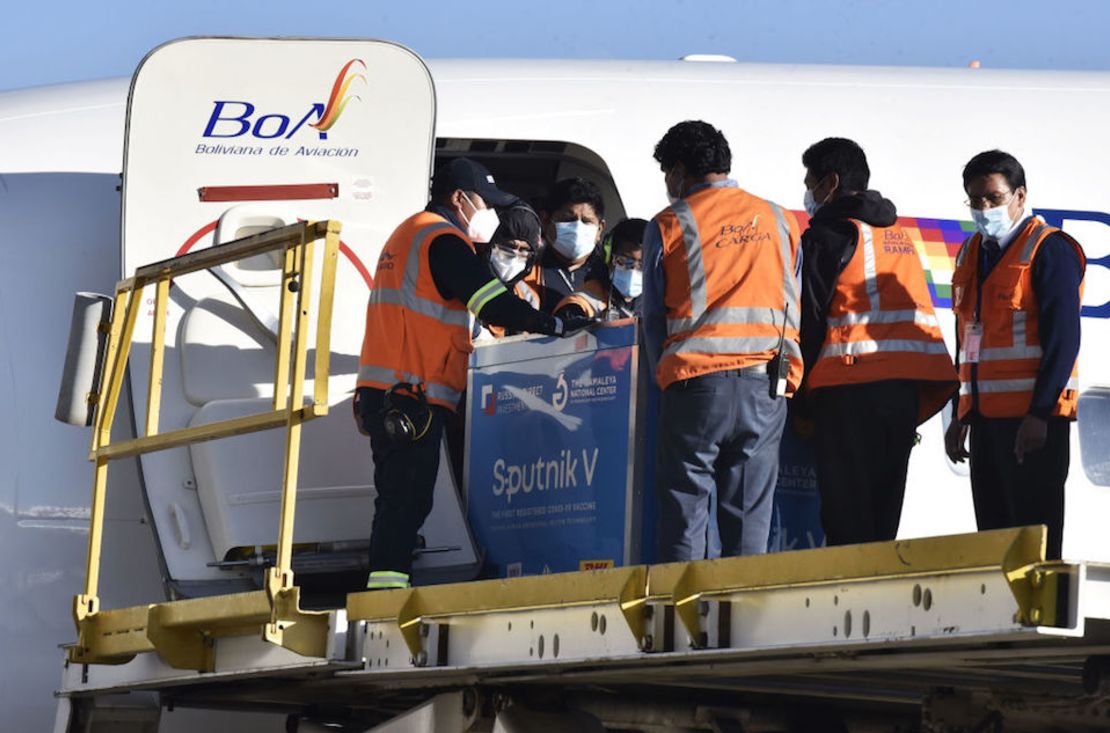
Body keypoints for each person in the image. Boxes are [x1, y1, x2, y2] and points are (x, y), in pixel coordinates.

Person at [355, 158, 594, 590]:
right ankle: (385, 599)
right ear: (460, 199)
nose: (490, 213)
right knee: (406, 500)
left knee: (398, 499)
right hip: (412, 393)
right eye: (486, 203)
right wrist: (554, 325)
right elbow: (491, 302)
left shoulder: (407, 233)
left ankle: (386, 590)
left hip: (388, 390)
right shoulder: (442, 239)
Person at [642, 120, 803, 562]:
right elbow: (793, 294)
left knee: (684, 511)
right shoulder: (779, 219)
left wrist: (667, 372)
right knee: (751, 516)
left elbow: (653, 316)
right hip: (767, 385)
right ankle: (744, 618)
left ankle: (683, 618)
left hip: (696, 386)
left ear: (678, 171)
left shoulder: (670, 223)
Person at [797, 137, 958, 546]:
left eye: (810, 182)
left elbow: (809, 322)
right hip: (901, 397)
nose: (807, 194)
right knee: (882, 523)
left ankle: (845, 605)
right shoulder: (899, 238)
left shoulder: (829, 236)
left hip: (848, 392)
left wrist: (796, 401)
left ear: (830, 183)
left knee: (846, 523)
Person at [944, 150, 1085, 560]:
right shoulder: (972, 252)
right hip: (987, 423)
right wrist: (960, 413)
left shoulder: (1048, 250)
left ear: (1020, 196)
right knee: (993, 543)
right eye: (975, 200)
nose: (984, 209)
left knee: (1034, 545)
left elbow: (1063, 340)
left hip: (1033, 425)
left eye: (993, 198)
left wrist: (1040, 414)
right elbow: (968, 338)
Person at [527, 177, 610, 313]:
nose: (577, 228)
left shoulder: (610, 275)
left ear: (600, 229)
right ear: (545, 220)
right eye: (568, 220)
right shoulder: (526, 270)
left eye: (586, 221)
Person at [553, 218, 647, 321]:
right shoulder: (580, 306)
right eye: (623, 261)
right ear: (608, 258)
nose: (633, 270)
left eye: (643, 265)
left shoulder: (655, 305)